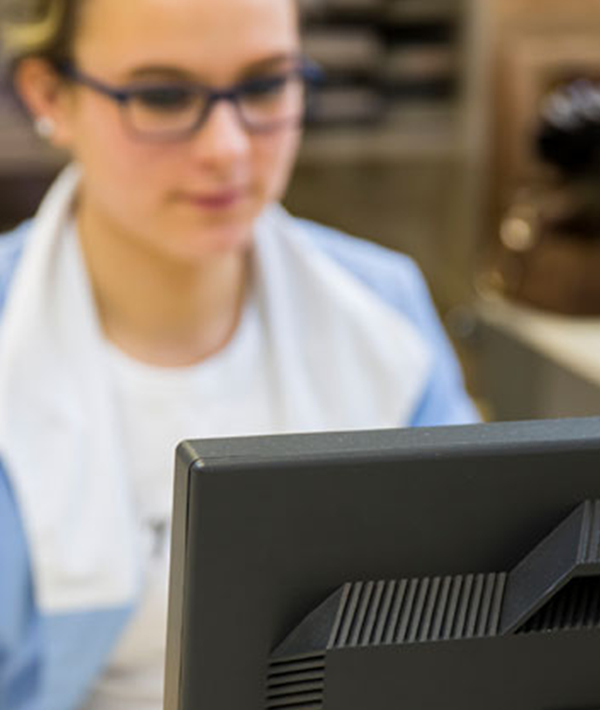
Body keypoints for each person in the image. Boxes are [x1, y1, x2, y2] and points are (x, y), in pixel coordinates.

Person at [0, 0, 478, 708]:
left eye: (263, 88)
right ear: (49, 97)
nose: (226, 147)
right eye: (162, 96)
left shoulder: (383, 318)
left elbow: (470, 616)